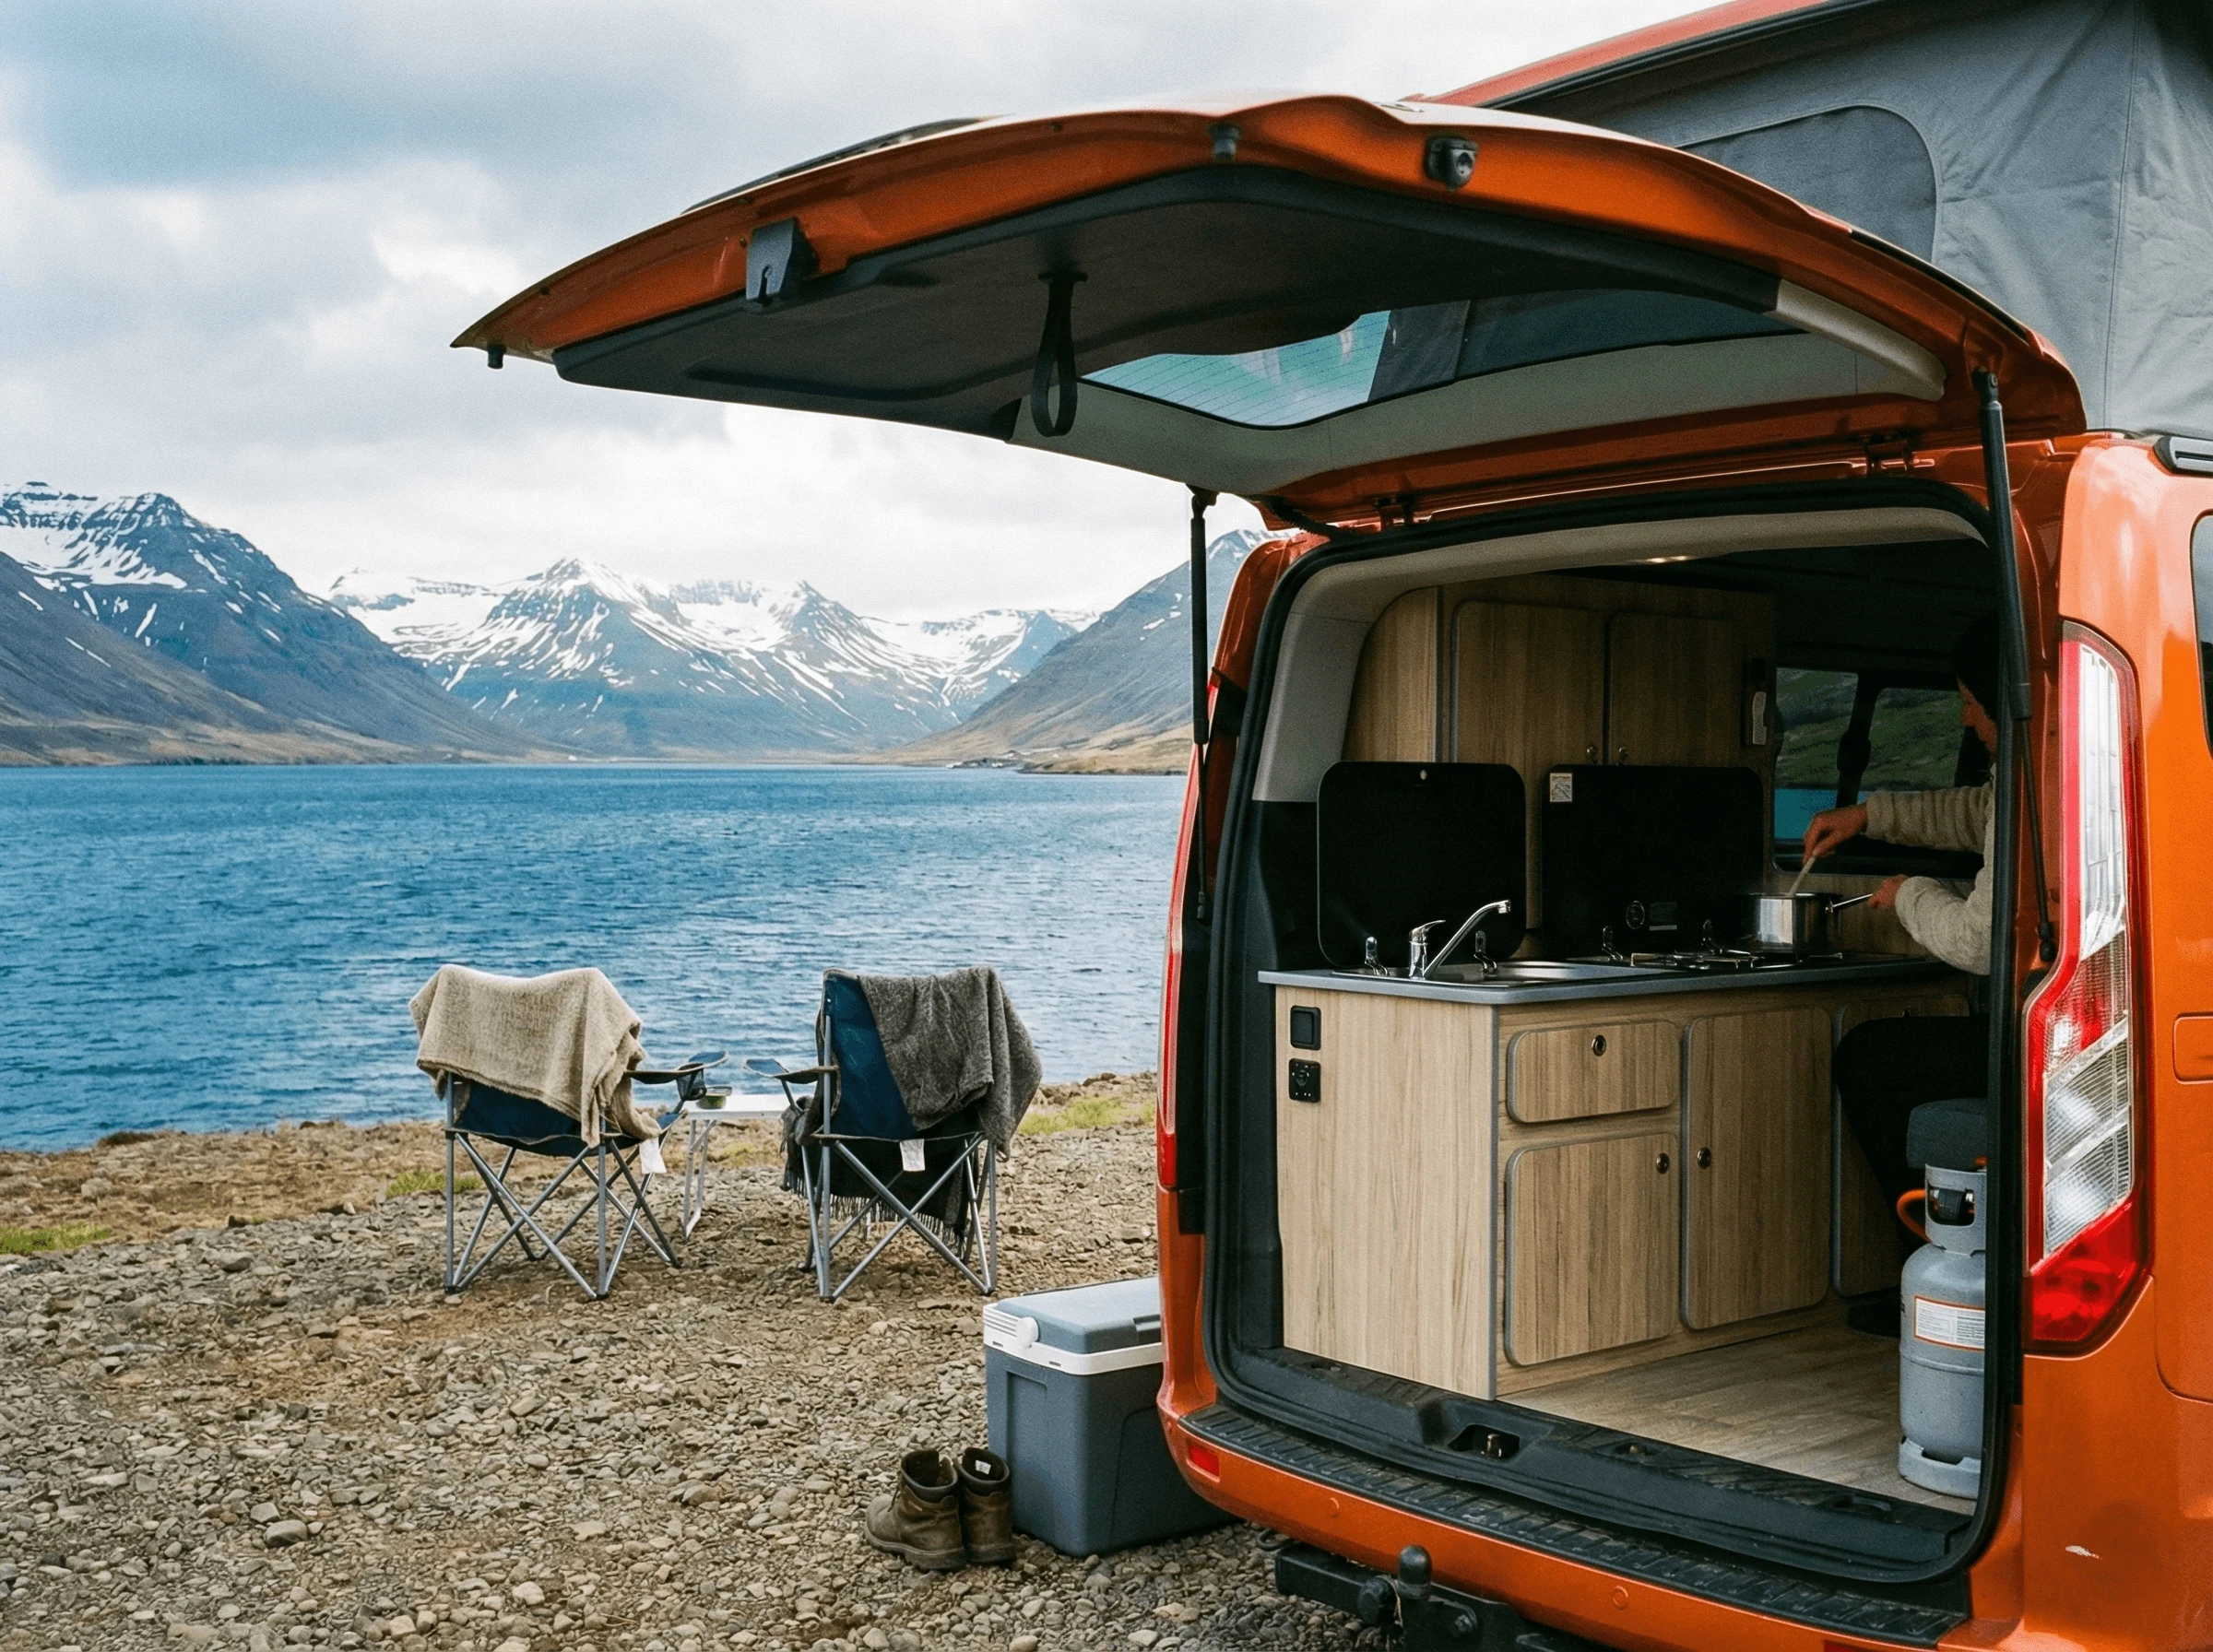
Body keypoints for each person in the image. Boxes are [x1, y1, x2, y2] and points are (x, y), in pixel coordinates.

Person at [1809, 615, 1999, 1314]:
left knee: (1870, 1058)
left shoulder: (2037, 788)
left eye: (1972, 699)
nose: (1964, 715)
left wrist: (1910, 894)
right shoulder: (2038, 776)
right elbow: (1970, 812)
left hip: (2039, 1047)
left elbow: (1977, 945)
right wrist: (1867, 817)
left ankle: (1928, 1261)